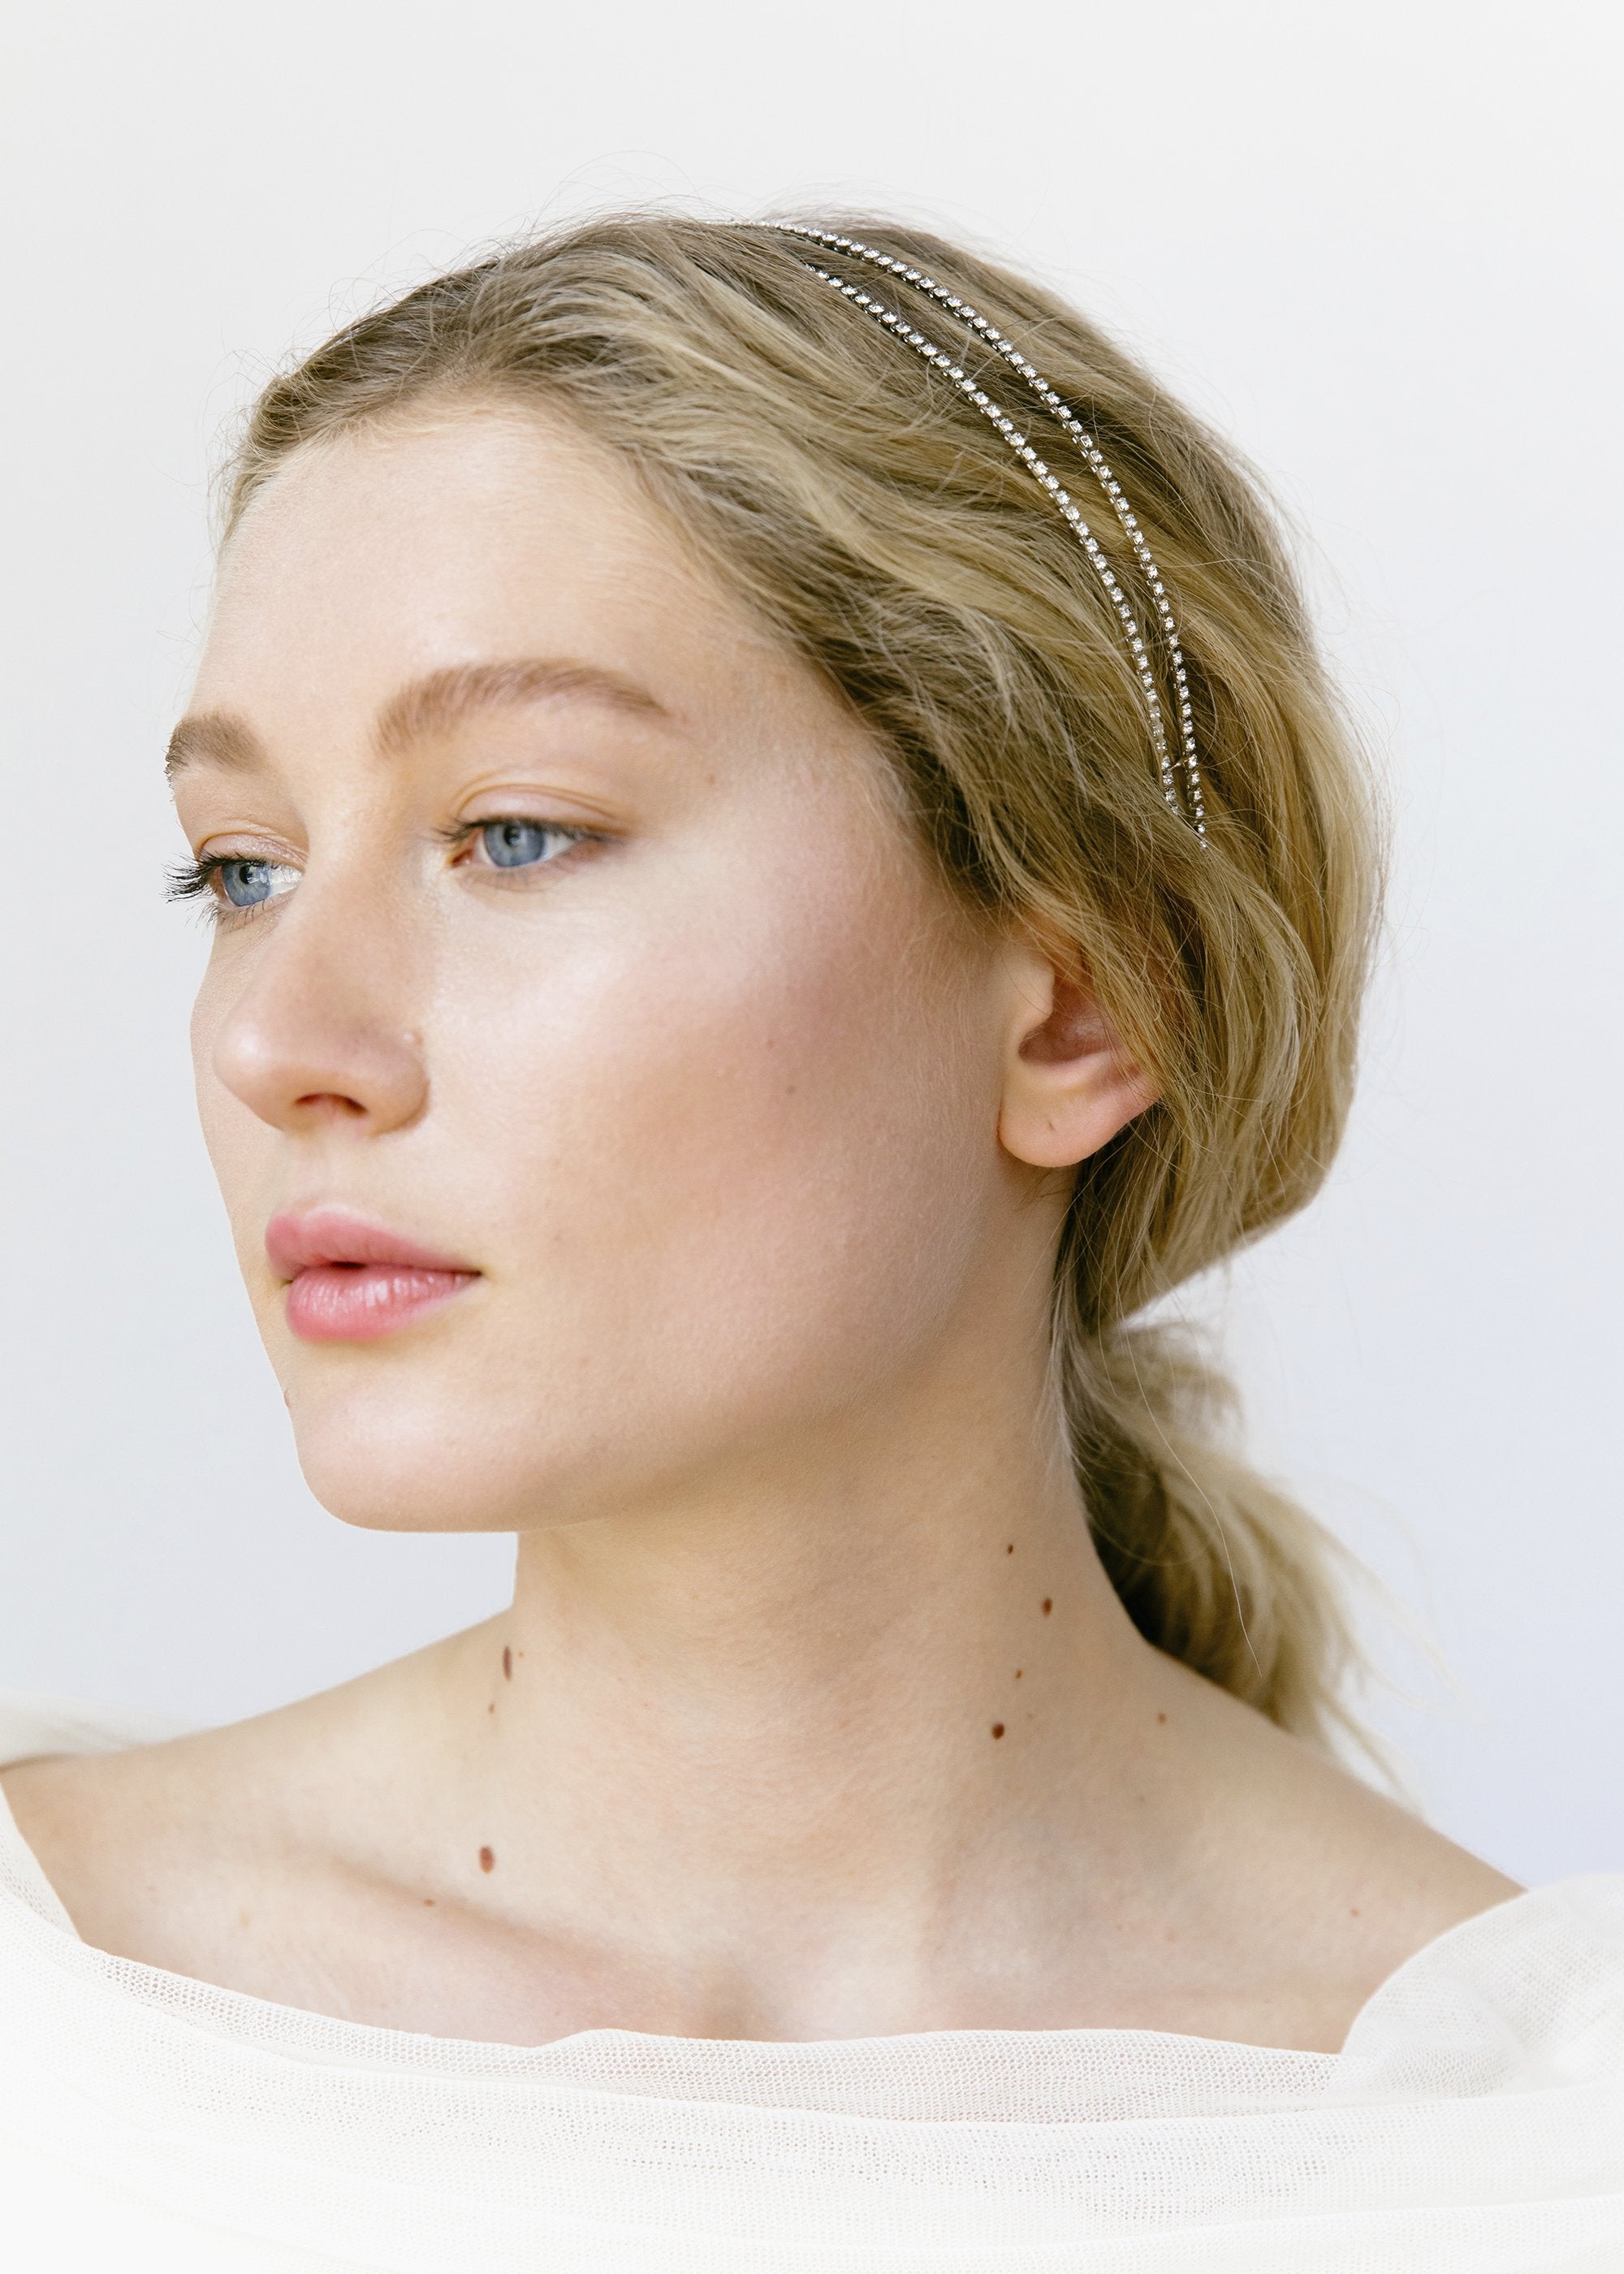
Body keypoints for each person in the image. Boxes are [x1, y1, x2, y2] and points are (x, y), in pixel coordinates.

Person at [0, 213, 1618, 2271]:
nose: (273, 1040)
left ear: (1080, 1004)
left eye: (516, 833)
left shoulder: (1533, 2149)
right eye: (239, 869)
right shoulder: (47, 2017)